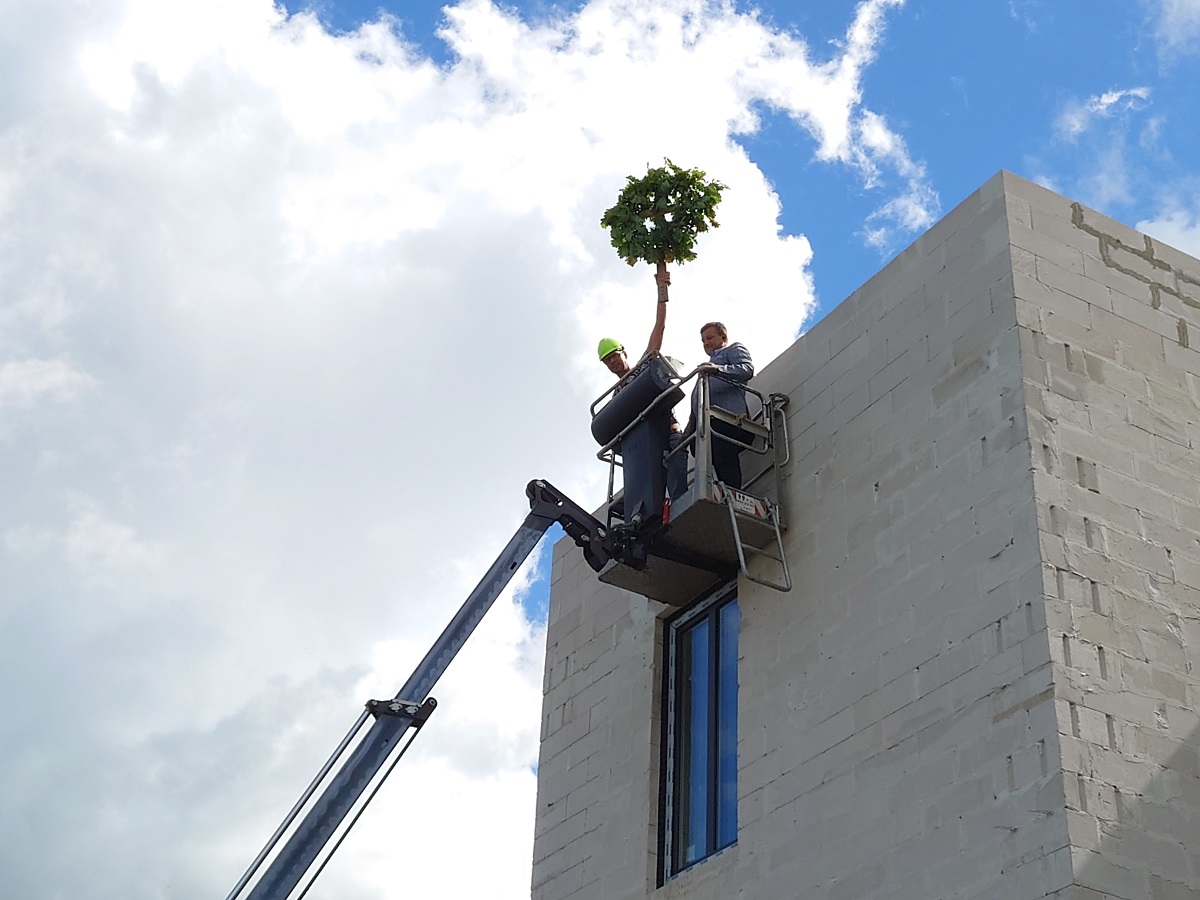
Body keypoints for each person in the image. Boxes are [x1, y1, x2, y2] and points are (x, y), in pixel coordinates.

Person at [596, 271, 688, 500]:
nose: (613, 362)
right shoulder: (616, 396)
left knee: (677, 475)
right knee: (651, 495)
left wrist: (662, 293)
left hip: (669, 432)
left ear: (624, 352)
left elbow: (659, 327)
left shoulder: (645, 368)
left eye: (614, 356)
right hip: (645, 445)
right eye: (608, 361)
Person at [684, 321, 754, 489]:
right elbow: (697, 403)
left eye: (709, 338)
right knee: (707, 456)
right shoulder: (704, 370)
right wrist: (686, 435)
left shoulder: (732, 350)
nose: (706, 343)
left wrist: (717, 370)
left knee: (724, 452)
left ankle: (731, 491)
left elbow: (747, 369)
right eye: (703, 341)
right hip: (706, 425)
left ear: (723, 337)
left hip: (728, 420)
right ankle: (720, 491)